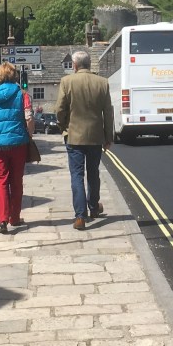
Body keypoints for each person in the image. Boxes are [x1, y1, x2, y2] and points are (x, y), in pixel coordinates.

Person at [55, 49, 115, 231]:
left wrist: (63, 127)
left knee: (77, 175)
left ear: (74, 65)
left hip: (74, 136)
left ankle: (80, 217)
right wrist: (108, 136)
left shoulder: (67, 81)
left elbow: (59, 109)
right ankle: (94, 207)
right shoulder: (102, 83)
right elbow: (108, 112)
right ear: (89, 64)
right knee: (93, 173)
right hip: (96, 136)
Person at [0, 62, 34, 234]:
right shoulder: (22, 95)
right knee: (16, 181)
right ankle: (15, 217)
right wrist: (30, 135)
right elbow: (29, 118)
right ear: (14, 76)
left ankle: (2, 220)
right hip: (18, 143)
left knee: (0, 181)